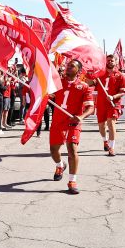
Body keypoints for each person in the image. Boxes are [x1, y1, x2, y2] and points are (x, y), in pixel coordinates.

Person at [48, 58, 95, 194]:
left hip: (73, 121)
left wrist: (80, 117)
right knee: (53, 150)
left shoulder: (84, 87)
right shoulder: (57, 83)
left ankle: (72, 181)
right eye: (68, 65)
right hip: (58, 121)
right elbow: (50, 96)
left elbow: (90, 108)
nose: (68, 67)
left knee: (72, 149)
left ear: (79, 71)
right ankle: (60, 165)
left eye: (72, 66)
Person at [95, 54, 125, 156]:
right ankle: (105, 140)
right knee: (101, 126)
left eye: (111, 60)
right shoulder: (100, 74)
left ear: (116, 62)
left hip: (113, 104)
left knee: (111, 123)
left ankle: (111, 147)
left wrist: (113, 97)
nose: (109, 62)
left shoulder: (120, 76)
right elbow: (89, 83)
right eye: (108, 60)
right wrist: (90, 74)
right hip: (101, 103)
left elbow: (123, 91)